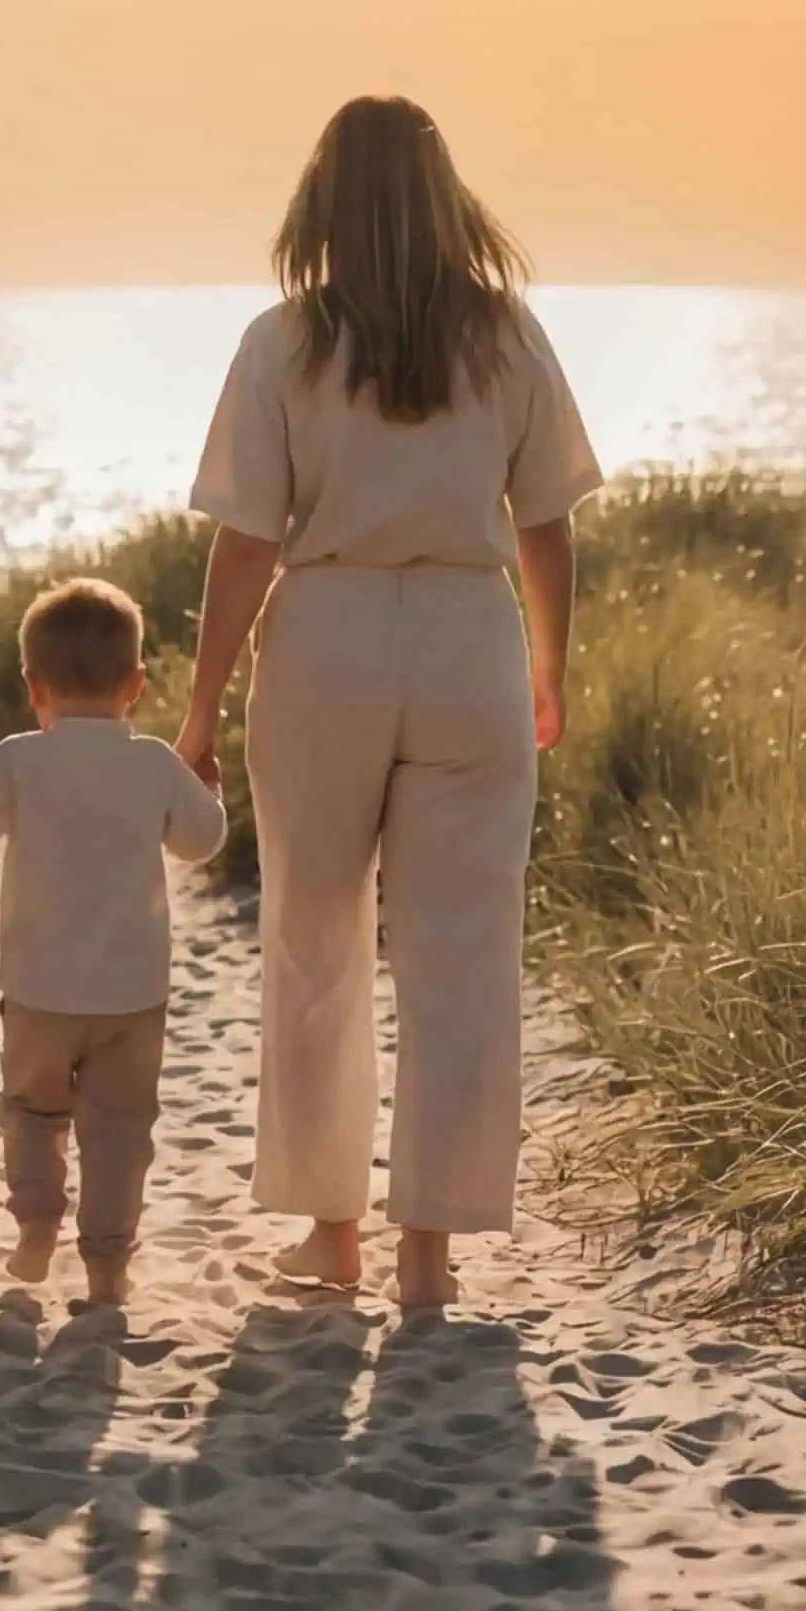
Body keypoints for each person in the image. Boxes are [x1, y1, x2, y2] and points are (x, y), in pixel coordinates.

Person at [173, 99, 600, 1319]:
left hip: (327, 641)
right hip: (470, 635)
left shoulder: (284, 343)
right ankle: (431, 1250)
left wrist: (201, 708)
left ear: (322, 198)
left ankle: (334, 1227)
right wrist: (551, 667)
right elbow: (548, 522)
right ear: (442, 194)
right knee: (462, 953)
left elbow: (246, 545)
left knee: (317, 940)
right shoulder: (507, 335)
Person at [0, 576, 227, 1314]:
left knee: (31, 1110)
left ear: (33, 685)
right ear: (135, 684)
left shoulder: (20, 759)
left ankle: (35, 1225)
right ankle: (106, 1268)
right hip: (133, 997)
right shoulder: (156, 762)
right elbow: (202, 840)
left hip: (37, 991)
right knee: (120, 1130)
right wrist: (208, 790)